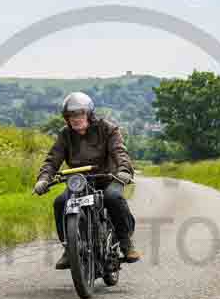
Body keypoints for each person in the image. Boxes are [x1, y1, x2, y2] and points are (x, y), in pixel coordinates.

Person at [33, 92, 142, 269]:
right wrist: (43, 179)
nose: (75, 119)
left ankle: (125, 243)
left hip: (108, 177)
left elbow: (120, 152)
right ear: (66, 118)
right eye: (71, 115)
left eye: (80, 113)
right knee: (61, 202)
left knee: (113, 198)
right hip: (79, 180)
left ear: (89, 113)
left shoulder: (108, 129)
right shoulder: (65, 135)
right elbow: (52, 160)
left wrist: (124, 170)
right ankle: (69, 249)